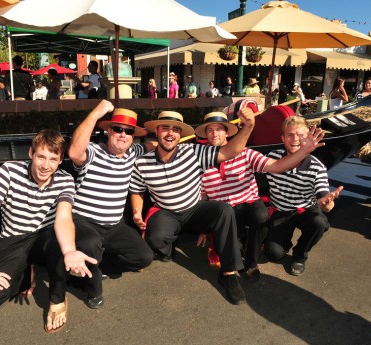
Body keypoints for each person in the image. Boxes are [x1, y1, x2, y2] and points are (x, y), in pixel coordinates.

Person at [0, 129, 97, 333]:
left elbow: (63, 218)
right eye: (41, 157)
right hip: (13, 241)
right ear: (31, 154)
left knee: (57, 239)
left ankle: (57, 299)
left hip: (43, 238)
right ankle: (27, 271)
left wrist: (70, 251)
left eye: (53, 159)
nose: (46, 166)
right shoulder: (9, 171)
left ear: (60, 160)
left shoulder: (65, 180)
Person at [129, 108, 256, 305]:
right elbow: (137, 190)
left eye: (175, 129)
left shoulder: (194, 151)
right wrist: (137, 211)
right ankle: (167, 246)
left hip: (194, 209)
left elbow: (230, 151)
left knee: (223, 210)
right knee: (156, 238)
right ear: (157, 132)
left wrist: (248, 127)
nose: (170, 133)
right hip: (166, 211)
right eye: (165, 128)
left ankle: (229, 273)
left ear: (180, 134)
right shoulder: (141, 162)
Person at [196, 110, 325, 282]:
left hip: (248, 204)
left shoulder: (246, 153)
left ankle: (251, 263)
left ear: (227, 132)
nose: (214, 133)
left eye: (219, 129)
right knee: (236, 244)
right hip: (224, 211)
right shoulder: (198, 159)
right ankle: (238, 248)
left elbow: (277, 166)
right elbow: (201, 195)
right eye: (210, 130)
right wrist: (203, 227)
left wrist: (304, 151)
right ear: (205, 134)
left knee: (261, 214)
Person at [67, 101, 155, 309]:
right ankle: (93, 290)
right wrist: (96, 113)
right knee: (89, 244)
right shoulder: (94, 152)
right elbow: (74, 153)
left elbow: (155, 145)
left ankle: (95, 266)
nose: (122, 134)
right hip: (83, 220)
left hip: (114, 225)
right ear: (108, 131)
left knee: (144, 257)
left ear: (133, 136)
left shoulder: (134, 152)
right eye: (117, 129)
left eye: (128, 131)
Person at [264, 116, 344, 276]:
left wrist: (327, 204)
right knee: (274, 254)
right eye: (290, 135)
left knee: (319, 223)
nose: (295, 139)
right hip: (280, 210)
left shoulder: (317, 167)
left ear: (308, 138)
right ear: (282, 138)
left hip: (305, 210)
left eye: (301, 135)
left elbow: (323, 196)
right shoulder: (272, 157)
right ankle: (282, 241)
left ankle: (300, 255)